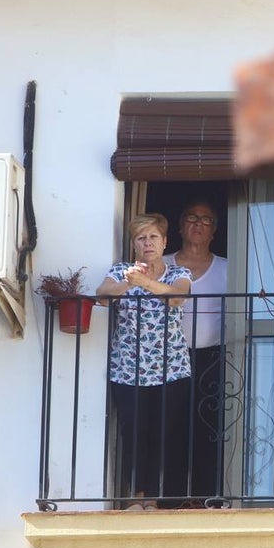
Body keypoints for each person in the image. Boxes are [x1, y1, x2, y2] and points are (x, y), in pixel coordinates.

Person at [96, 213, 192, 510]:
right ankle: (138, 497)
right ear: (134, 244)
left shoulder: (178, 273)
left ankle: (158, 498)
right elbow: (102, 296)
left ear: (164, 242)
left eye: (153, 237)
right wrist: (129, 283)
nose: (147, 242)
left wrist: (146, 283)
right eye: (141, 238)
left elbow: (177, 297)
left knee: (165, 432)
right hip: (129, 368)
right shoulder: (121, 271)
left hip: (171, 367)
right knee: (135, 431)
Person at [163, 200, 228, 503]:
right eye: (191, 217)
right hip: (168, 357)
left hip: (213, 357)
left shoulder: (230, 268)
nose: (198, 224)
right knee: (171, 427)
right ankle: (171, 498)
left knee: (208, 430)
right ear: (179, 226)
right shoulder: (161, 265)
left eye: (206, 219)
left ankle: (206, 497)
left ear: (214, 230)